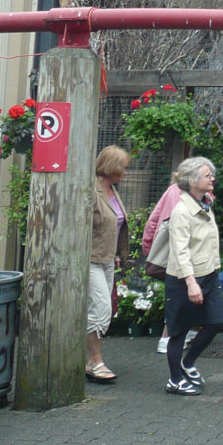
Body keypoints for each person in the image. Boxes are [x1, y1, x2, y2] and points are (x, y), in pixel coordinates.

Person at [163, 156, 222, 396]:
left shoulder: (205, 203)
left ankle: (187, 363)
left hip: (209, 274)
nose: (212, 179)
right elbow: (180, 250)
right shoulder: (181, 211)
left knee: (216, 321)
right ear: (192, 181)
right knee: (179, 331)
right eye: (208, 176)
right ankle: (175, 380)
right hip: (184, 279)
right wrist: (191, 283)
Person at [87, 145, 131, 384]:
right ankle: (95, 362)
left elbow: (113, 226)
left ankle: (91, 359)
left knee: (105, 310)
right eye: (123, 168)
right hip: (90, 259)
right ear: (111, 167)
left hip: (107, 259)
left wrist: (116, 253)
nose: (126, 173)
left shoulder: (112, 191)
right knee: (100, 309)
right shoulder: (90, 190)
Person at [142, 172, 198, 354]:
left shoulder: (173, 190)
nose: (212, 179)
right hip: (179, 253)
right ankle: (167, 337)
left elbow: (153, 221)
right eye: (207, 175)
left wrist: (149, 248)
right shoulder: (182, 195)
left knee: (183, 291)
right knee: (179, 292)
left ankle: (182, 330)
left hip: (178, 252)